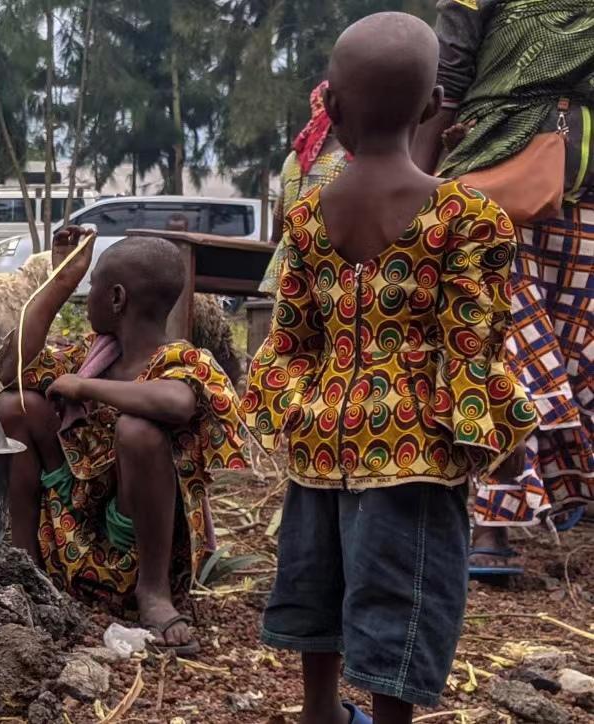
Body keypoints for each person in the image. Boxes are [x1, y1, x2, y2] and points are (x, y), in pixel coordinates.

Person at [242, 14, 538, 724]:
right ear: (435, 105)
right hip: (413, 446)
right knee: (402, 592)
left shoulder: (308, 215)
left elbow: (289, 338)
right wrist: (480, 433)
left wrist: (284, 411)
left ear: (333, 108)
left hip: (318, 436)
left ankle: (320, 711)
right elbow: (472, 341)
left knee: (317, 575)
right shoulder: (469, 217)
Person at [0, 228, 248, 657]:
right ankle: (26, 564)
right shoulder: (92, 357)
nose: (85, 296)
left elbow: (176, 402)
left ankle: (154, 593)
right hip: (69, 531)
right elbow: (10, 369)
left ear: (116, 299)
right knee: (14, 404)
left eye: (90, 287)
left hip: (137, 544)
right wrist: (61, 278)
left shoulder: (182, 360)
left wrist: (85, 390)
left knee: (138, 430)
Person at [412, 0, 594, 578]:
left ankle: (569, 495)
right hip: (496, 175)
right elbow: (448, 76)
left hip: (587, 197)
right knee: (504, 350)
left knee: (582, 353)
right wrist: (413, 184)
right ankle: (492, 522)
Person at [260, 80, 352, 293]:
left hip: (282, 274)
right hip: (326, 275)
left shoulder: (292, 159)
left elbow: (277, 227)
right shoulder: (349, 158)